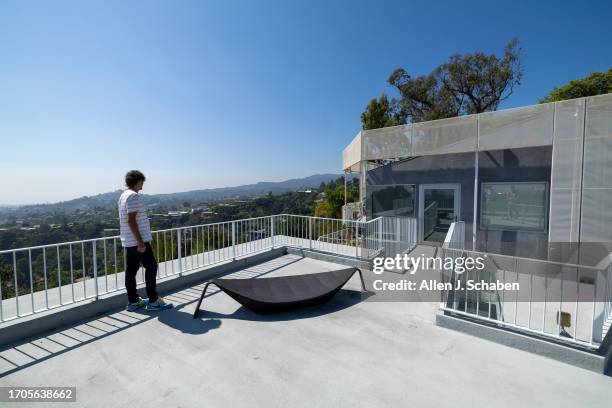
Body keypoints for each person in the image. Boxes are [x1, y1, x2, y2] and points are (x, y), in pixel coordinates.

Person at [119, 170, 173, 311]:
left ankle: (133, 301)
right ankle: (154, 301)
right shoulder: (133, 196)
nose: (142, 184)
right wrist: (140, 242)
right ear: (138, 181)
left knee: (131, 270)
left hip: (128, 240)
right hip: (137, 241)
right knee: (151, 266)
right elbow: (131, 220)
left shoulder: (123, 195)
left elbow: (129, 219)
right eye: (142, 181)